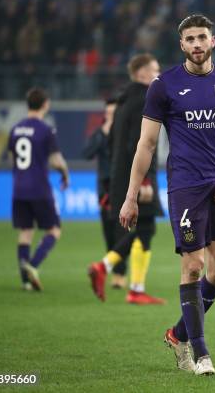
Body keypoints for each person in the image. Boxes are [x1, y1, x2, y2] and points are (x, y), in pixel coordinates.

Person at [119, 14, 215, 375]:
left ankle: (177, 334)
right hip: (184, 185)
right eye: (189, 39)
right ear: (181, 45)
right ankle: (200, 354)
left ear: (213, 41)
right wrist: (131, 196)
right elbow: (146, 145)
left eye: (201, 38)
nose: (196, 44)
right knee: (193, 266)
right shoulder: (163, 85)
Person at [88, 54, 165, 305]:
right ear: (142, 73)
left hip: (120, 177)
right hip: (138, 177)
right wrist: (143, 182)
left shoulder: (121, 101)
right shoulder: (145, 98)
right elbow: (140, 143)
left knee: (141, 230)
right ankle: (110, 270)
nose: (159, 73)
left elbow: (112, 144)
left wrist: (112, 183)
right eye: (155, 69)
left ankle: (133, 287)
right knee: (146, 228)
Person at [8, 87, 69, 291]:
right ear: (45, 104)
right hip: (39, 188)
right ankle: (33, 265)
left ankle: (25, 281)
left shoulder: (15, 129)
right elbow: (55, 160)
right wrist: (64, 174)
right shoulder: (45, 130)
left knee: (26, 231)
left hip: (18, 188)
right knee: (54, 229)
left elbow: (12, 159)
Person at [82, 97, 127, 288]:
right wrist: (102, 133)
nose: (110, 116)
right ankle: (109, 269)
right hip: (104, 191)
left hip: (122, 189)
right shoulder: (100, 134)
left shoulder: (125, 133)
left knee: (122, 233)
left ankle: (119, 275)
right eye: (107, 113)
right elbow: (87, 153)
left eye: (113, 113)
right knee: (109, 233)